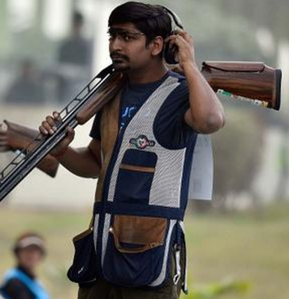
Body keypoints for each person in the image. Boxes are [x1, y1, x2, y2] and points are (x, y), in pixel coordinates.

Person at [39, 2, 226, 299]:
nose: (115, 45)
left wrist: (189, 64)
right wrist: (62, 151)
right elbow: (94, 162)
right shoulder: (110, 93)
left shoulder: (180, 93)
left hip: (149, 265)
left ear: (156, 45)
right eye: (112, 36)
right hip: (100, 261)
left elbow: (211, 120)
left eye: (127, 37)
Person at [0, 232, 50, 299]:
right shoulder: (14, 281)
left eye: (34, 250)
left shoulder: (34, 281)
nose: (30, 254)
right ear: (18, 253)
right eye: (27, 249)